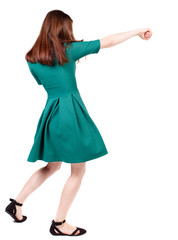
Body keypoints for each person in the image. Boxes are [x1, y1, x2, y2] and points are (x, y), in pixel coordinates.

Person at [5, 9, 152, 237]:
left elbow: (46, 83)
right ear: (63, 29)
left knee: (52, 165)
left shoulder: (31, 58)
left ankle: (17, 204)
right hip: (70, 114)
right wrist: (136, 31)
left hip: (50, 115)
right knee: (78, 171)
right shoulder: (68, 50)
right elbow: (108, 41)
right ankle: (59, 222)